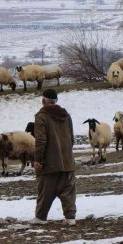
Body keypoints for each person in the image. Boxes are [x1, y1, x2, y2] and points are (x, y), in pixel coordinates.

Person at [30, 89, 77, 226]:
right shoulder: (66, 115)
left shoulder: (41, 116)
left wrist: (38, 160)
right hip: (67, 162)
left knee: (45, 190)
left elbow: (40, 140)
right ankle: (70, 218)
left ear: (43, 100)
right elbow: (71, 138)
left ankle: (40, 217)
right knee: (68, 192)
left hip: (50, 163)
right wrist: (67, 155)